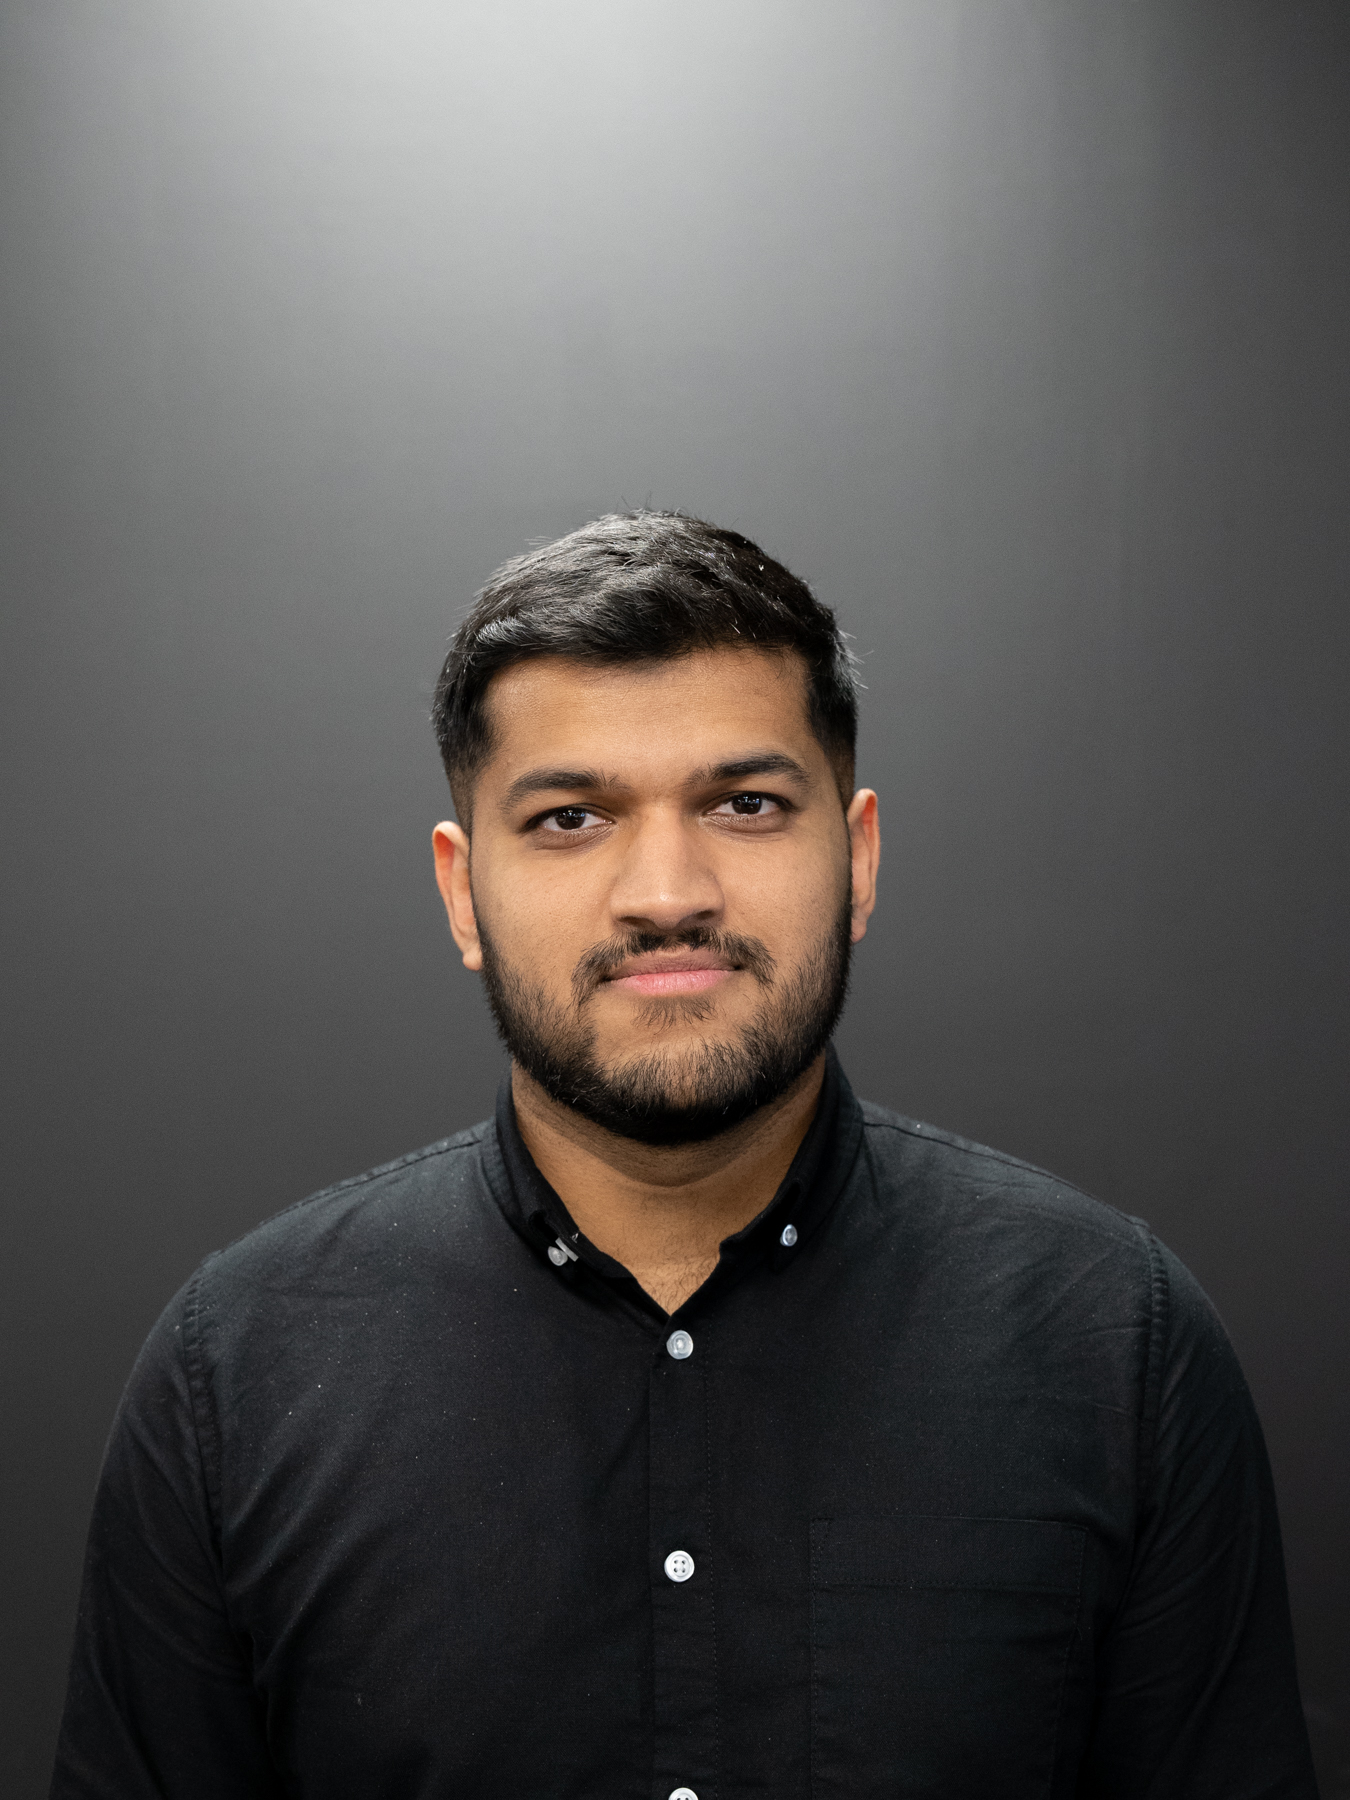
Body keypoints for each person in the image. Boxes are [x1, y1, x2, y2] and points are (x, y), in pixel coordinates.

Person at [51, 512, 1316, 1799]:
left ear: (860, 858)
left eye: (746, 804)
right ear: (459, 891)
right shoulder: (237, 1374)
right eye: (569, 819)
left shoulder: (1120, 1345)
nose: (667, 890)